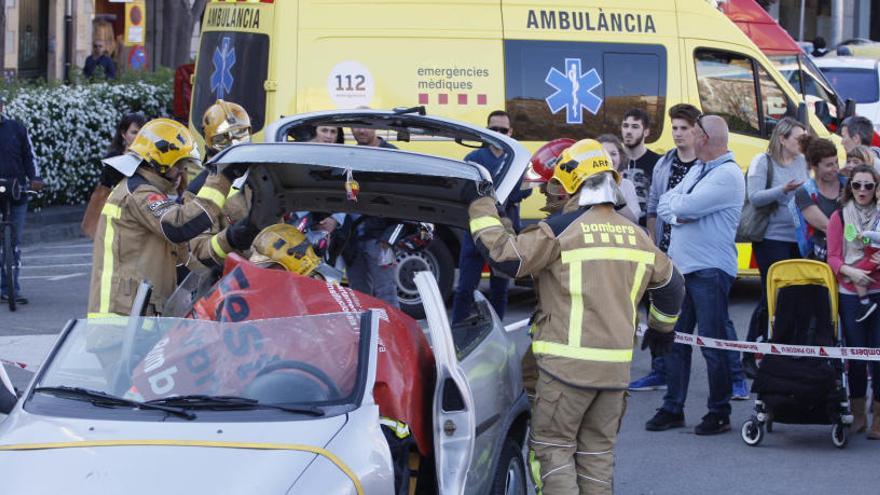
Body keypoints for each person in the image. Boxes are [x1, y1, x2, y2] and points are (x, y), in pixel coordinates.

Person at [469, 138, 685, 493]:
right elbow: (672, 286)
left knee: (553, 453)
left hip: (565, 371)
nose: (549, 194)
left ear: (571, 182)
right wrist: (663, 329)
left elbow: (507, 257)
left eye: (554, 184)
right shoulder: (637, 236)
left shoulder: (561, 231)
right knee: (597, 456)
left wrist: (482, 207)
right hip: (615, 373)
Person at [633, 103, 749, 400]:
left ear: (705, 139)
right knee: (675, 341)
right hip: (683, 269)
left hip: (709, 270)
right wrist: (679, 208)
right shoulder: (698, 168)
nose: (686, 137)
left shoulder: (727, 174)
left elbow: (684, 206)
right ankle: (673, 406)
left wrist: (680, 208)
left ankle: (718, 410)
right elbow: (666, 203)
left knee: (713, 346)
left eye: (693, 132)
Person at [87, 118, 252, 319]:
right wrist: (224, 177)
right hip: (124, 323)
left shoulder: (143, 191)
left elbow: (189, 257)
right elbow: (179, 226)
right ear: (161, 162)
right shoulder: (138, 193)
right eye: (179, 164)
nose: (182, 172)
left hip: (134, 318)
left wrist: (233, 239)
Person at [741, 117, 809, 377]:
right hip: (771, 238)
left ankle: (785, 353)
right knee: (770, 296)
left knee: (795, 298)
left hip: (797, 238)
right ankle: (748, 353)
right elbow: (755, 197)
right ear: (782, 139)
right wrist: (783, 189)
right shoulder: (763, 161)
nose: (803, 143)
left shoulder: (802, 161)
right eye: (798, 138)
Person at [451, 110, 531, 322]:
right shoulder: (473, 159)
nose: (498, 133)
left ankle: (498, 334)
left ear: (510, 132)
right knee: (465, 288)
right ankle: (456, 335)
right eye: (493, 129)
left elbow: (525, 190)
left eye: (503, 130)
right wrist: (503, 195)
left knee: (500, 289)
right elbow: (464, 191)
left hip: (505, 234)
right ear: (486, 131)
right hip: (475, 233)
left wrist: (491, 193)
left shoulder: (518, 160)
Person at [827, 164, 880, 439]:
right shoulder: (839, 216)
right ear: (850, 187)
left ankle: (878, 418)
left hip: (878, 291)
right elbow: (833, 258)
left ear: (876, 188)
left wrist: (870, 269)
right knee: (857, 356)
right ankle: (859, 413)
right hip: (850, 292)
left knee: (879, 357)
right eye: (857, 185)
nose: (862, 191)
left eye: (868, 186)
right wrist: (852, 272)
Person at [345, 125, 400, 307]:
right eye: (357, 127)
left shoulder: (392, 155)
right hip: (352, 240)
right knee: (358, 298)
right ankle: (365, 335)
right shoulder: (348, 155)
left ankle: (393, 334)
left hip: (380, 240)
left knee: (387, 295)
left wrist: (389, 239)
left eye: (366, 126)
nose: (361, 131)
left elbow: (404, 202)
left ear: (375, 127)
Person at [0, 96, 44, 305]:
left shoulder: (17, 128)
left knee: (14, 242)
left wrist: (35, 178)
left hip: (17, 191)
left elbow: (29, 156)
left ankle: (11, 289)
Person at [82, 113, 148, 239]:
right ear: (123, 134)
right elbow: (104, 189)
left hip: (144, 213)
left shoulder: (151, 158)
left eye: (142, 132)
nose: (138, 136)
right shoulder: (113, 159)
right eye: (134, 132)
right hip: (120, 217)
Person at [793, 135, 844, 263]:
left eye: (836, 162)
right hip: (824, 258)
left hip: (851, 254)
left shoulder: (848, 184)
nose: (835, 168)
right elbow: (828, 228)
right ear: (814, 166)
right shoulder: (805, 192)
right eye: (829, 165)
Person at [620, 108, 661, 226]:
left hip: (645, 230)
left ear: (646, 132)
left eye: (635, 127)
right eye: (625, 126)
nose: (628, 131)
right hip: (617, 229)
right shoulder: (613, 160)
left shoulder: (657, 163)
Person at [596, 134, 640, 222]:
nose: (609, 158)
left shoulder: (627, 185)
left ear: (621, 157)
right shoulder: (587, 185)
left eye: (613, 154)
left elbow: (634, 219)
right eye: (603, 154)